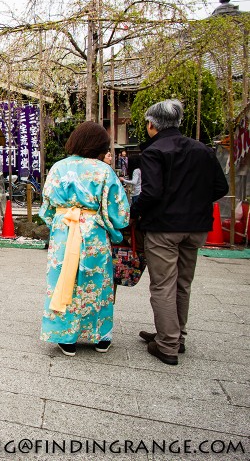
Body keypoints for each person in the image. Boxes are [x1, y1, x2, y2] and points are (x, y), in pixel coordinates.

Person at [131, 99, 228, 366]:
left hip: (163, 228)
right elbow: (220, 187)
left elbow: (151, 193)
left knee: (163, 284)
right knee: (183, 283)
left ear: (152, 125)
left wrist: (134, 210)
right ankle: (176, 335)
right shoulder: (203, 150)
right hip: (196, 227)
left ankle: (167, 344)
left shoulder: (154, 151)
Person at [40, 122, 129, 357]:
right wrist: (115, 228)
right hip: (93, 232)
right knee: (96, 282)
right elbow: (118, 210)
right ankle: (100, 336)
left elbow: (47, 206)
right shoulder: (102, 170)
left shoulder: (58, 168)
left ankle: (66, 337)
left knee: (63, 280)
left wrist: (59, 222)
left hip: (64, 230)